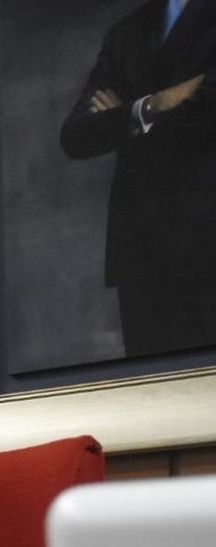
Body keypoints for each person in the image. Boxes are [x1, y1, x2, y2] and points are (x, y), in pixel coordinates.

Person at [60, 0, 216, 358]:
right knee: (156, 399)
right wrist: (154, 105)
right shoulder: (126, 32)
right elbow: (75, 136)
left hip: (208, 245)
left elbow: (210, 112)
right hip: (143, 256)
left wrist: (125, 120)